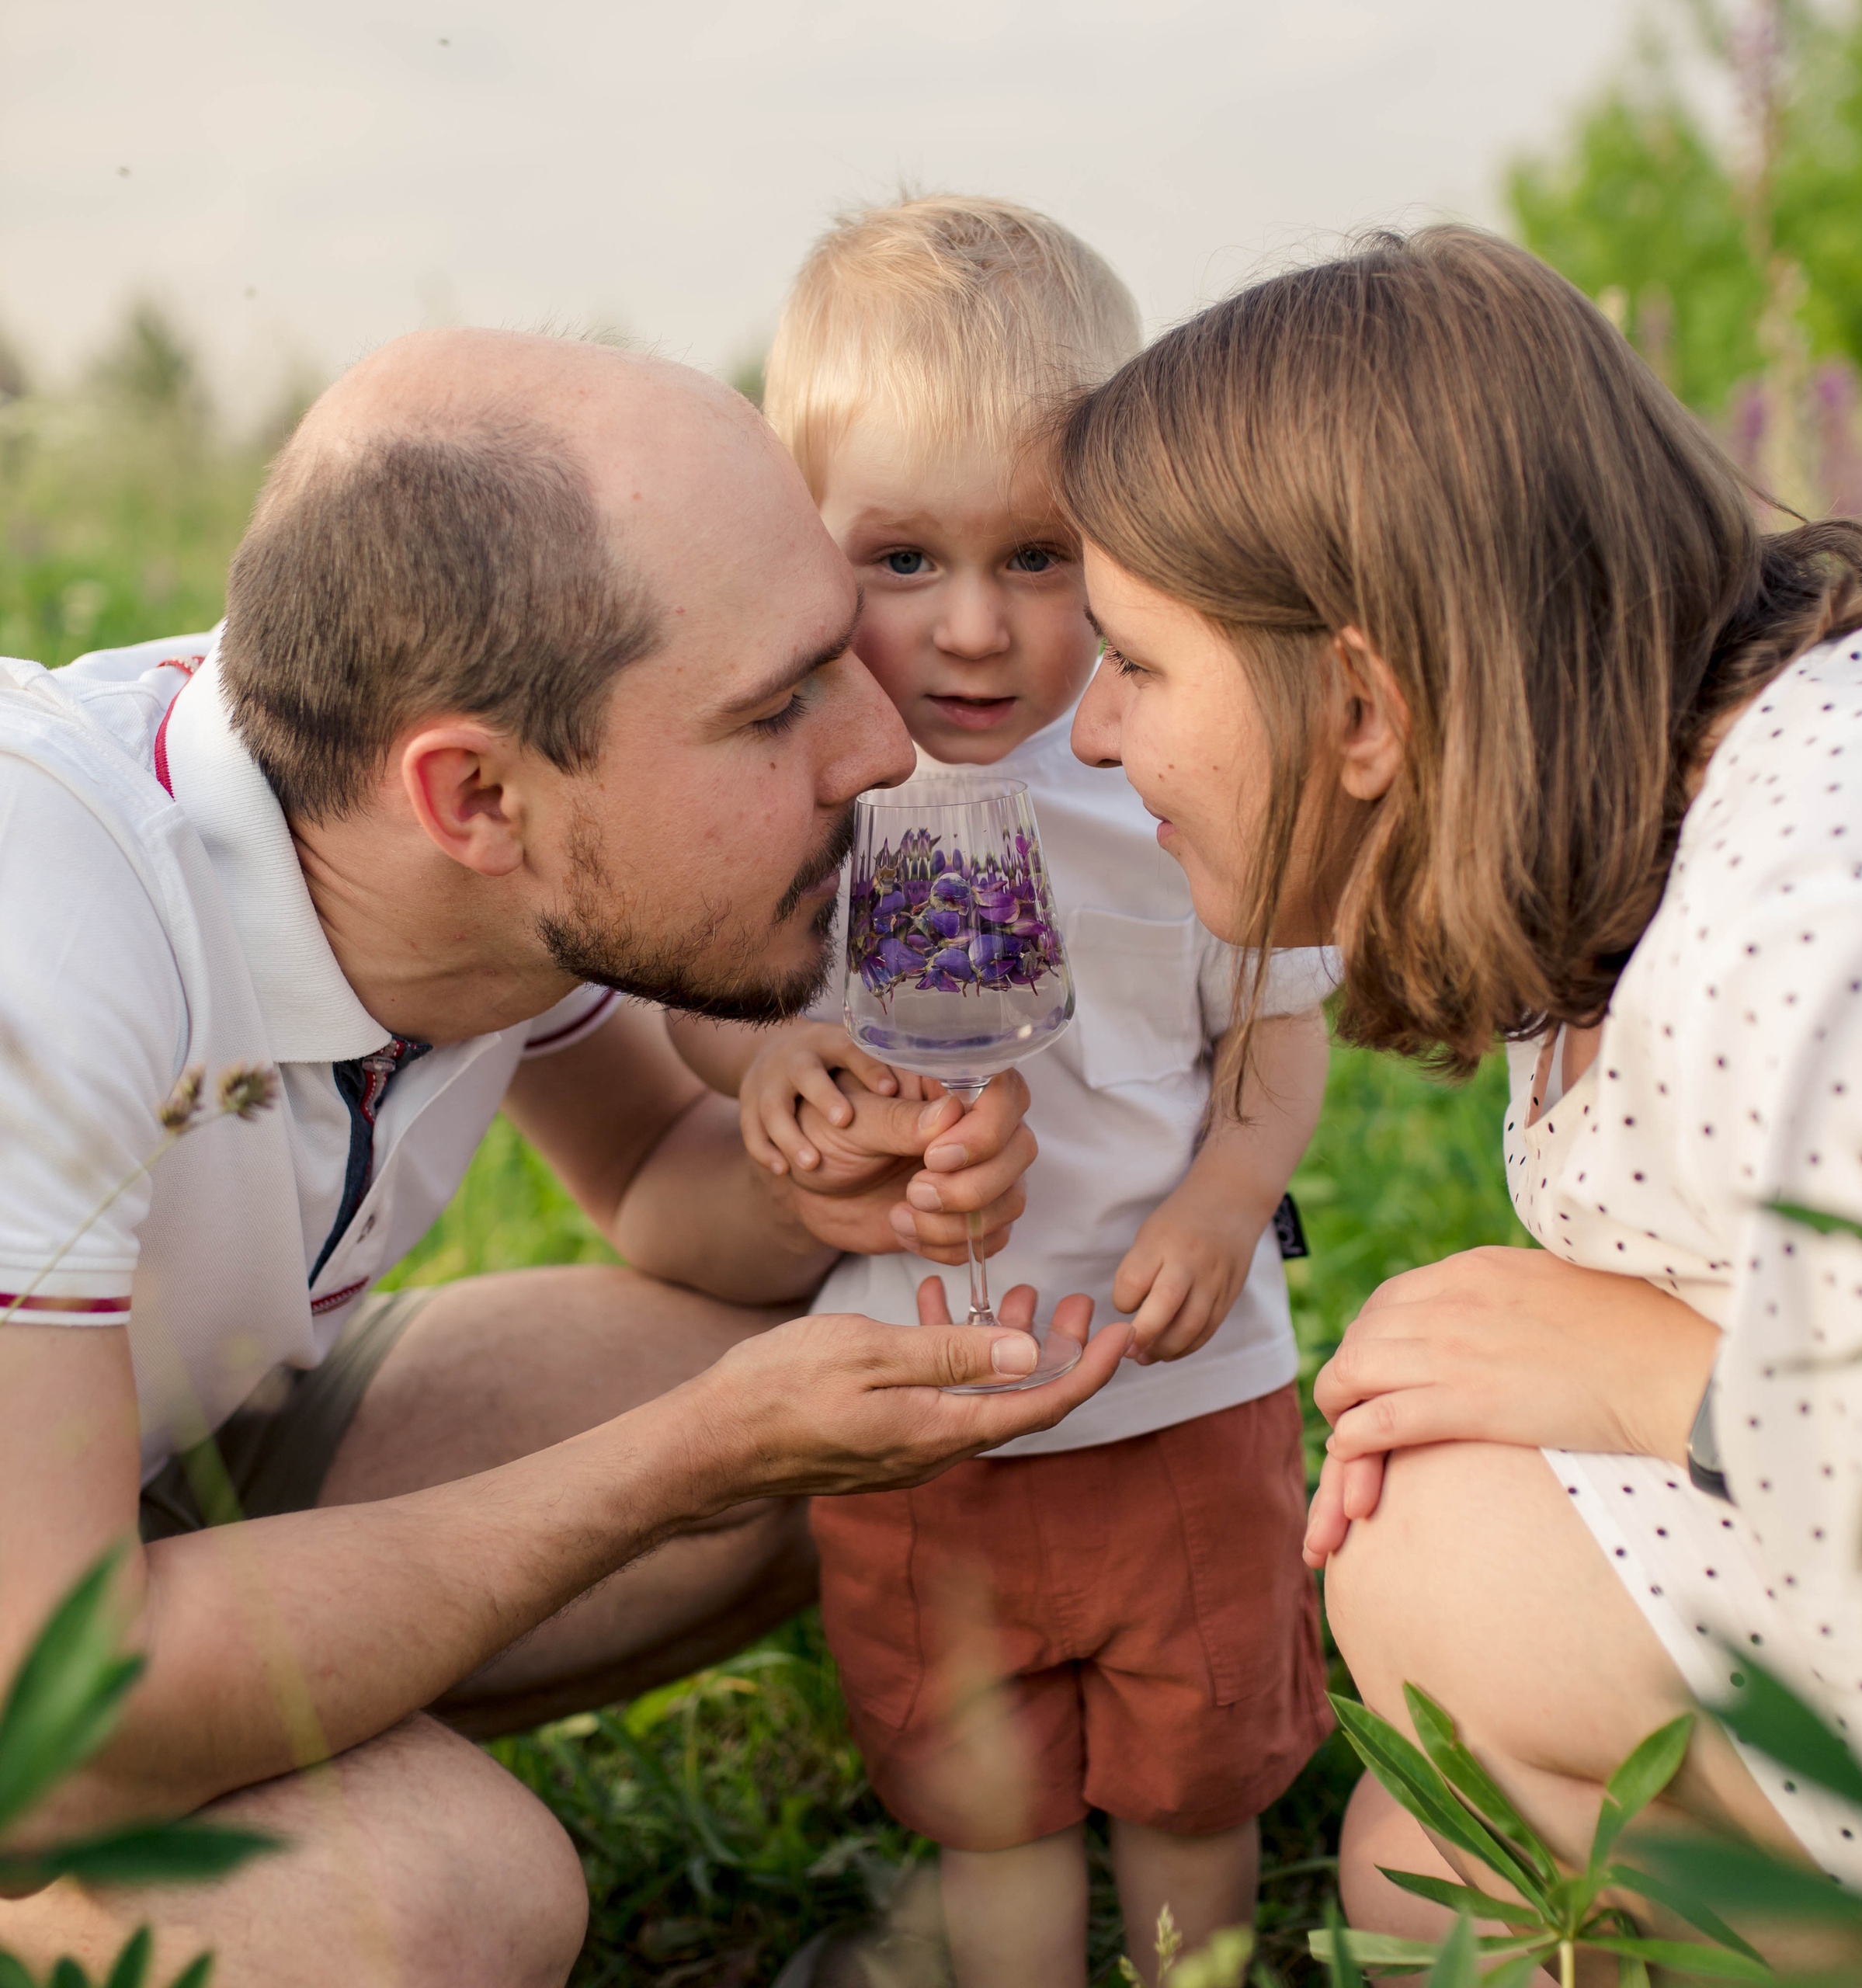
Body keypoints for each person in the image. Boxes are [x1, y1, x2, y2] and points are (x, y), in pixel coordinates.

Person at [0, 327, 1134, 1987]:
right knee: (437, 1909)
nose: (880, 748)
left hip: (117, 1479)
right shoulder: (49, 930)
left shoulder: (419, 816)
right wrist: (685, 1457)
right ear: (472, 795)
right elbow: (48, 1707)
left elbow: (662, 1183)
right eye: (775, 709)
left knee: (832, 1378)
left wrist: (809, 1171)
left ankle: (214, 1747)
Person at [1053, 225, 1862, 1979]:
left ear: (1357, 703)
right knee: (1420, 1871)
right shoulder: (1697, 797)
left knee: (1446, 1560)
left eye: (1134, 663)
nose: (1091, 733)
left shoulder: (1830, 935)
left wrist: (1643, 1373)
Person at [667, 196, 1336, 1988]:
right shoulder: (791, 801)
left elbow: (1275, 1029)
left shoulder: (1171, 774)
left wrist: (1216, 1198)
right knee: (990, 1803)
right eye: (899, 561)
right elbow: (707, 1010)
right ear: (797, 545)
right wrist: (774, 1063)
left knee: (1195, 1775)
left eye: (1037, 557)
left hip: (1172, 1394)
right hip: (914, 1405)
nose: (971, 629)